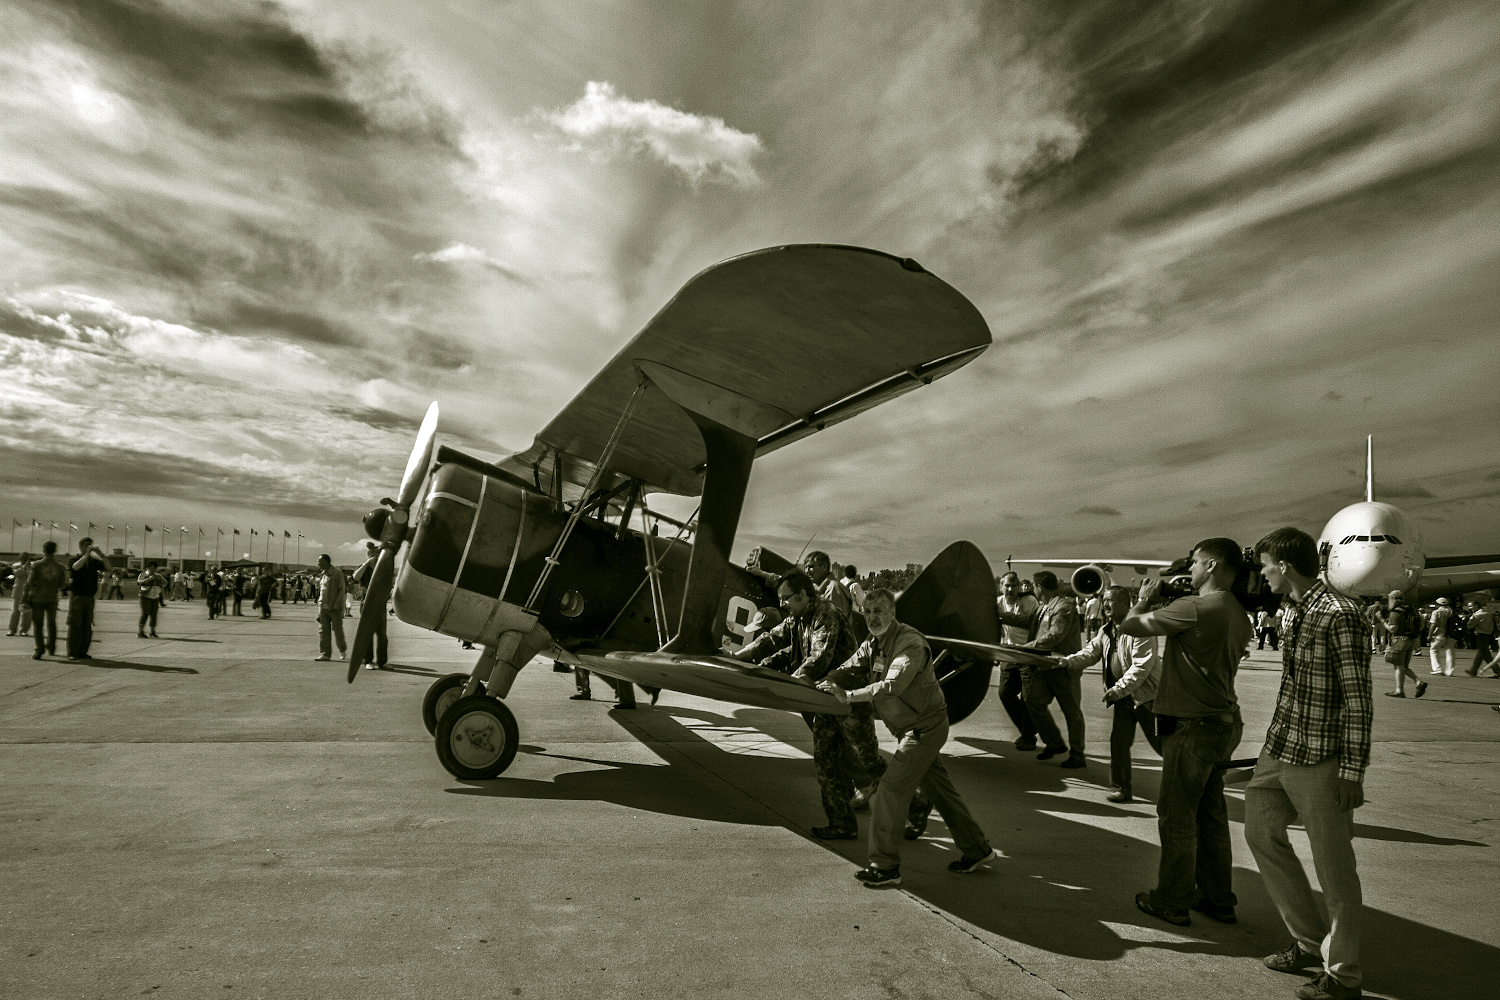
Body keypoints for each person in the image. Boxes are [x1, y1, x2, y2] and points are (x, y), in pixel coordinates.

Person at [1248, 527, 1372, 1000]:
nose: (1261, 574)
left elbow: (1358, 702)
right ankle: (1306, 941)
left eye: (1264, 566)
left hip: (1322, 757)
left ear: (1283, 565)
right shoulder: (1294, 612)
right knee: (1260, 833)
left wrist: (1352, 771)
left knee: (1335, 869)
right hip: (1280, 750)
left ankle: (1343, 975)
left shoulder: (1340, 614)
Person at [817, 588, 996, 886]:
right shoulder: (874, 642)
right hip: (911, 729)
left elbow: (891, 686)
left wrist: (847, 696)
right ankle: (978, 850)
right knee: (940, 792)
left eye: (879, 611)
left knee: (890, 789)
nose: (872, 617)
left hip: (925, 729)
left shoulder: (910, 643)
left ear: (892, 613)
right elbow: (851, 666)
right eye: (868, 611)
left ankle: (884, 867)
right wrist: (825, 681)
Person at [1120, 537, 1251, 927]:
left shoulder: (1196, 607)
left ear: (1211, 565)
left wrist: (1145, 597)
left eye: (1194, 563)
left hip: (1192, 727)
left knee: (1176, 816)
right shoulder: (1235, 611)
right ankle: (1216, 897)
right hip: (1223, 721)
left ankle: (1171, 899)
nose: (1188, 570)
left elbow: (1130, 626)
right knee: (1210, 814)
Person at [732, 572, 894, 840]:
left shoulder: (825, 614)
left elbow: (820, 657)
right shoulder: (798, 618)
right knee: (826, 762)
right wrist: (738, 658)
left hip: (848, 699)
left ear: (803, 595)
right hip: (821, 700)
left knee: (868, 763)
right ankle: (842, 824)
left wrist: (792, 685)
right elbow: (771, 640)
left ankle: (919, 805)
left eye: (786, 598)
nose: (782, 603)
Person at [1057, 585, 1162, 803]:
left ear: (1126, 604)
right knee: (1119, 742)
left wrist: (1117, 689)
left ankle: (1190, 784)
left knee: (1164, 745)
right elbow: (1090, 653)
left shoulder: (1141, 628)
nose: (1105, 604)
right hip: (1123, 698)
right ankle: (1121, 788)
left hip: (1148, 697)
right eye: (1104, 600)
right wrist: (1067, 662)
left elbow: (1141, 667)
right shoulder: (1105, 630)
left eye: (1111, 600)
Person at [997, 571, 1086, 768]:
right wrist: (999, 616)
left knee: (1071, 712)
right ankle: (1054, 743)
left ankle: (1077, 754)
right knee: (1032, 701)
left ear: (1039, 587)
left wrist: (1024, 648)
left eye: (1034, 587)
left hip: (1063, 668)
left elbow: (1055, 636)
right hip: (1044, 668)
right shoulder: (1044, 608)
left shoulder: (1064, 608)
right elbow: (1025, 622)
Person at [994, 571, 1040, 750]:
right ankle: (1028, 730)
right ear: (1001, 586)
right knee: (1004, 692)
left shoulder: (1030, 602)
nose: (1010, 589)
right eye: (1007, 585)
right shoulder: (998, 603)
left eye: (1014, 585)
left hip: (1028, 653)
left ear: (1019, 586)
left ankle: (1028, 737)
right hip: (1009, 653)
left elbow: (1036, 625)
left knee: (1027, 697)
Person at [1376, 590, 1425, 697]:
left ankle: (1400, 690)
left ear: (1392, 599)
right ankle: (1418, 682)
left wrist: (1382, 620)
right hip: (1411, 640)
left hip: (1399, 640)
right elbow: (1421, 625)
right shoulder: (1412, 609)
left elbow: (1393, 629)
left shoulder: (1396, 612)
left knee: (1398, 666)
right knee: (1404, 666)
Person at [66, 538, 107, 660]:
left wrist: (101, 554)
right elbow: (75, 568)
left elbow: (108, 568)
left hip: (89, 597)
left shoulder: (94, 561)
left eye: (90, 545)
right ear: (80, 546)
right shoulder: (74, 559)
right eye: (86, 545)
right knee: (74, 625)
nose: (89, 546)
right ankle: (72, 652)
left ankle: (83, 651)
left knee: (86, 626)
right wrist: (86, 555)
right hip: (77, 596)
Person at [24, 542, 66, 659]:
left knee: (38, 625)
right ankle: (51, 647)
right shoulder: (60, 567)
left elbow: (29, 582)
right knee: (52, 624)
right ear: (55, 550)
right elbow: (62, 585)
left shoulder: (36, 565)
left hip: (38, 598)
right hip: (52, 598)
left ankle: (39, 649)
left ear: (44, 550)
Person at [353, 542, 388, 669]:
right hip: (367, 604)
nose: (375, 557)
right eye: (372, 554)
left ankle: (382, 661)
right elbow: (355, 577)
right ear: (368, 555)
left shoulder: (382, 568)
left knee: (382, 635)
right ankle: (368, 660)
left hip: (380, 605)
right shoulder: (364, 568)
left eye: (377, 554)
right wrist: (367, 563)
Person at [312, 554, 347, 661]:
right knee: (323, 631)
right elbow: (322, 593)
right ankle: (325, 654)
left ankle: (342, 650)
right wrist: (319, 610)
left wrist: (337, 604)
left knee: (337, 631)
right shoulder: (323, 574)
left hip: (334, 608)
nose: (317, 563)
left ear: (326, 562)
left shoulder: (336, 573)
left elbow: (342, 589)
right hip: (323, 607)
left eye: (319, 561)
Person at [1465, 601, 1496, 677]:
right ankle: (1473, 670)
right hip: (1488, 635)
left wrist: (1470, 617)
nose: (1469, 608)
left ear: (1476, 605)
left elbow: (1469, 625)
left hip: (1481, 636)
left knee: (1486, 655)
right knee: (1480, 655)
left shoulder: (1478, 615)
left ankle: (1497, 671)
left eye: (1470, 606)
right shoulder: (1488, 613)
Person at [136, 561, 167, 638]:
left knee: (154, 615)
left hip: (155, 597)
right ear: (147, 568)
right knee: (145, 613)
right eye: (151, 568)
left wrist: (160, 580)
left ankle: (152, 632)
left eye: (154, 568)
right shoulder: (143, 574)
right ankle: (140, 632)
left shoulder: (158, 575)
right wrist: (149, 579)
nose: (153, 570)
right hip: (145, 596)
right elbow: (139, 583)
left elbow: (165, 583)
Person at [1427, 598, 1456, 675]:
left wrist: (1429, 634)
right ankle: (1450, 671)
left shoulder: (1436, 612)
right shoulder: (1451, 612)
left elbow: (1433, 624)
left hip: (1439, 634)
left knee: (1434, 650)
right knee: (1450, 652)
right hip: (1451, 634)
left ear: (1437, 604)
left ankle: (1437, 668)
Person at [7, 552, 33, 637]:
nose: (25, 559)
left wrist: (29, 567)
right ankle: (12, 629)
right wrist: (24, 566)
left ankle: (24, 630)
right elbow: (17, 574)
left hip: (28, 591)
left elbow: (32, 576)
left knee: (27, 612)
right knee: (15, 611)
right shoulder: (16, 565)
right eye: (23, 557)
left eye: (26, 557)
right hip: (18, 591)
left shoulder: (32, 566)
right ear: (20, 558)